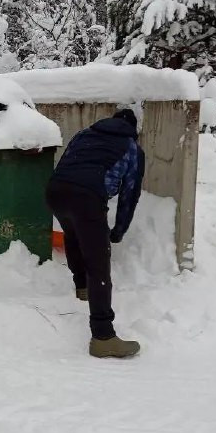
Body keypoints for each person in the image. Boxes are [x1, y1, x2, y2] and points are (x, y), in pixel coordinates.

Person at [46, 109, 145, 359]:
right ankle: (103, 337)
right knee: (98, 263)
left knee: (73, 235)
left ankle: (82, 287)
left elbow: (66, 163)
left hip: (56, 191)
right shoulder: (131, 148)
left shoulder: (84, 134)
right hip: (87, 197)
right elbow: (130, 194)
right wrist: (118, 231)